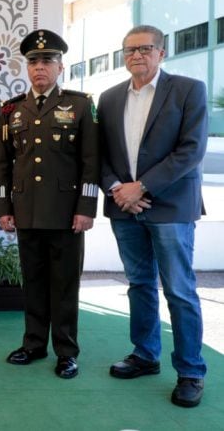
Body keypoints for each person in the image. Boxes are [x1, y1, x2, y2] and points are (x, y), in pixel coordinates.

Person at [98, 25, 207, 407]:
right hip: (123, 207)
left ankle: (191, 370)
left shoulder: (189, 90)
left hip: (170, 206)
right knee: (139, 283)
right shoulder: (110, 98)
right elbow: (100, 156)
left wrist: (141, 187)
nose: (136, 56)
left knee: (179, 289)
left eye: (145, 49)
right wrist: (118, 189)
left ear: (162, 53)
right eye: (129, 50)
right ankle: (145, 354)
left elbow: (191, 150)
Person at [0, 29, 99, 378]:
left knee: (65, 285)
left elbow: (91, 162)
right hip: (26, 212)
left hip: (67, 214)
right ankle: (33, 344)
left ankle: (66, 351)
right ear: (26, 67)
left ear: (60, 66)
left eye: (47, 61)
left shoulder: (80, 105)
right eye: (34, 61)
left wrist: (86, 207)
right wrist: (3, 208)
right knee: (34, 282)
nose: (40, 67)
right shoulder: (12, 110)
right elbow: (2, 164)